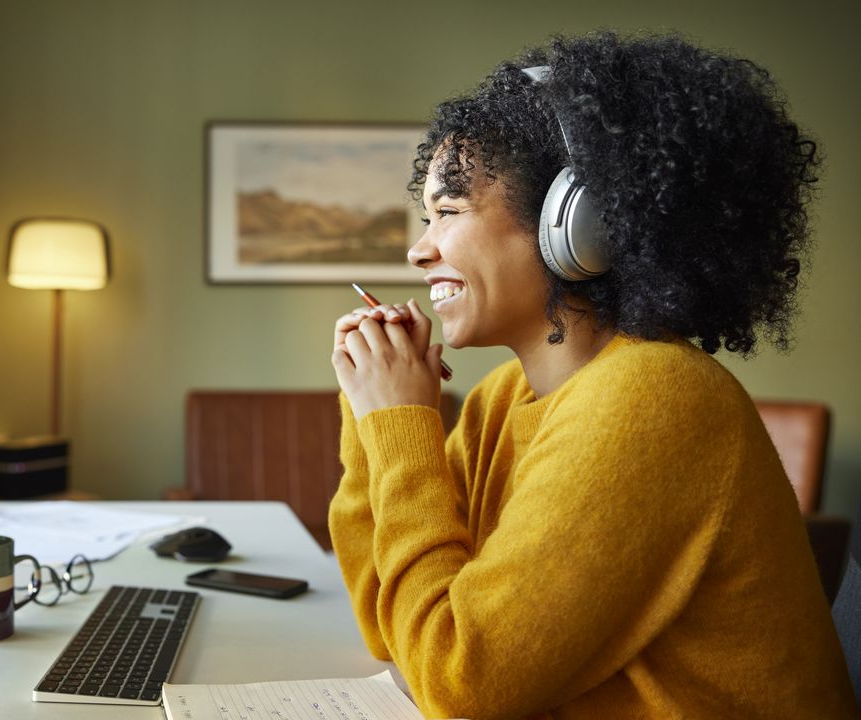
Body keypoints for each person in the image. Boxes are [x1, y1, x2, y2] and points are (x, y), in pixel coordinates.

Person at [327, 33, 854, 718]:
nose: (418, 249)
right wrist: (374, 421)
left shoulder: (655, 397)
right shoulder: (504, 399)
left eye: (449, 213)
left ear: (579, 225)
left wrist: (400, 425)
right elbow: (391, 626)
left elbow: (462, 681)